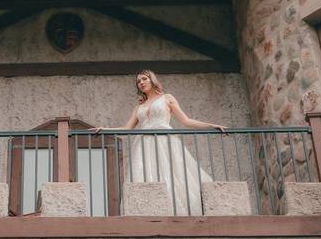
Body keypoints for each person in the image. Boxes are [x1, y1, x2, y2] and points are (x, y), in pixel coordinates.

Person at [93, 70, 227, 215]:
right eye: (138, 81)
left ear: (152, 80)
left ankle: (176, 211)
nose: (141, 83)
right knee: (145, 176)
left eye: (144, 79)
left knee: (172, 174)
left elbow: (186, 121)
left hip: (164, 141)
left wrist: (211, 125)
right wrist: (104, 129)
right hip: (143, 145)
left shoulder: (167, 98)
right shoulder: (138, 107)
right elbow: (127, 128)